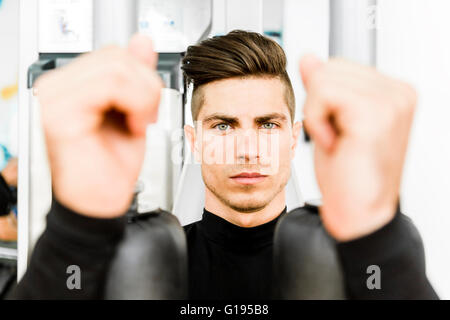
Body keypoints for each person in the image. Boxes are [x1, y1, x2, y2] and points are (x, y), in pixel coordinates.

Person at [10, 31, 437, 299]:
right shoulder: (137, 261)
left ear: (293, 137)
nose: (247, 149)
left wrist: (378, 235)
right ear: (195, 141)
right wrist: (77, 229)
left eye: (268, 124)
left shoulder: (360, 264)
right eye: (224, 125)